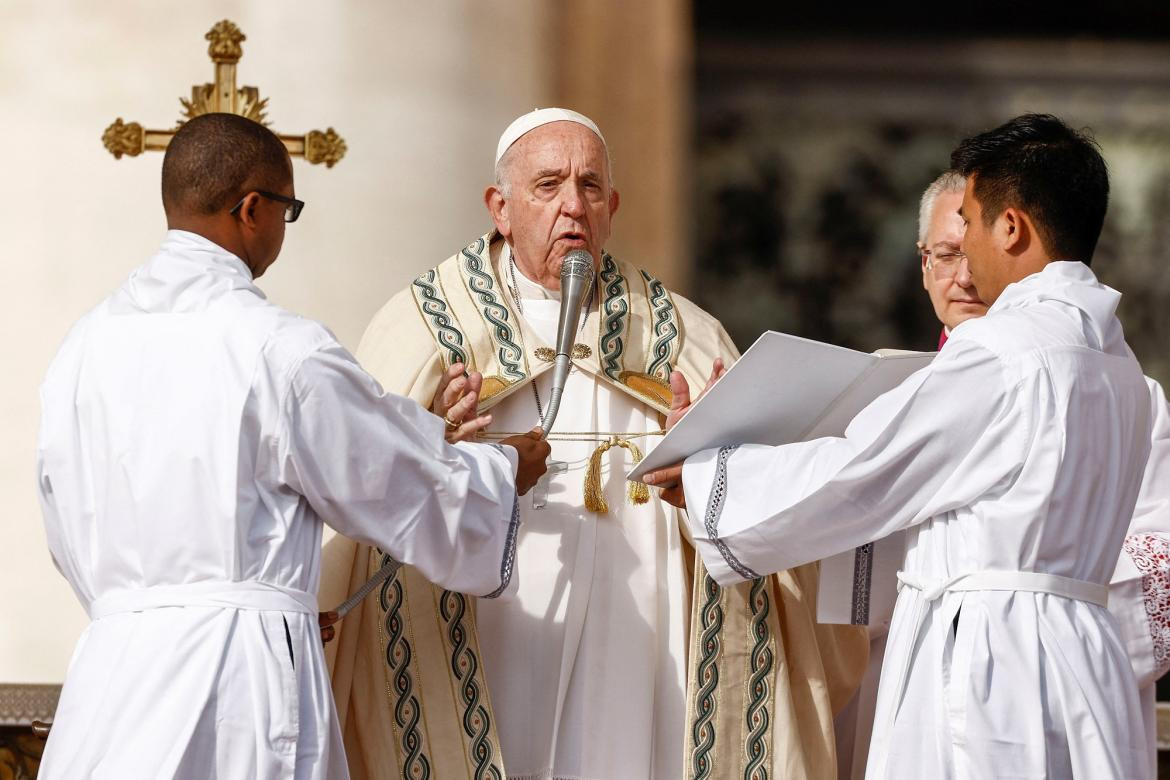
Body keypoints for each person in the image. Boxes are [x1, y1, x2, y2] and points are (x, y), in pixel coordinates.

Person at [321, 108, 867, 780]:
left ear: (612, 207)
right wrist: (431, 435)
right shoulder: (424, 329)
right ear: (501, 207)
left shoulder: (685, 339)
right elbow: (353, 498)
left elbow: (765, 517)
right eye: (547, 187)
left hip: (641, 643)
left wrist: (710, 460)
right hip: (495, 632)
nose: (572, 207)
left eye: (589, 187)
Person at [34, 112, 550, 779]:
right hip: (235, 686)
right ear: (253, 209)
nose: (284, 226)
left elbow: (65, 525)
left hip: (113, 675)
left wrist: (267, 592)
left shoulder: (82, 348)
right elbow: (386, 475)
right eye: (288, 209)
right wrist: (501, 469)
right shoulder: (278, 347)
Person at [647, 113, 1155, 777]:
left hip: (989, 668)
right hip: (1085, 662)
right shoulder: (1118, 368)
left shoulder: (1003, 353)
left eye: (968, 222)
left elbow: (861, 472)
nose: (962, 253)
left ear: (1011, 227)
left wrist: (709, 474)